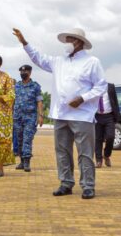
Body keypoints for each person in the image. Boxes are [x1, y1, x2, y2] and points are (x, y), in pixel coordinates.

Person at [13, 28, 107, 199]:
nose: (68, 42)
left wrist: (82, 98)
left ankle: (88, 185)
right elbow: (38, 58)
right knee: (62, 151)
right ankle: (66, 182)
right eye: (67, 39)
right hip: (61, 114)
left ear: (80, 43)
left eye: (72, 39)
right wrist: (24, 43)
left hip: (82, 115)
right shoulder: (58, 61)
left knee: (85, 152)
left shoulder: (92, 62)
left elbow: (101, 86)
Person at [13, 65, 43, 172]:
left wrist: (40, 116)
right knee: (20, 139)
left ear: (30, 72)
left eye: (25, 71)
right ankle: (21, 161)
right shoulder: (16, 86)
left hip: (30, 117)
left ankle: (27, 162)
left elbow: (39, 101)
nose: (23, 73)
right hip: (17, 117)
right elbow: (12, 101)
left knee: (27, 139)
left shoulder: (35, 86)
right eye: (21, 71)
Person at [95, 83, 120, 168]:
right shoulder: (93, 87)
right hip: (97, 116)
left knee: (110, 137)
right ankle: (98, 160)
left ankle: (106, 155)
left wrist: (117, 116)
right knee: (98, 139)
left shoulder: (110, 87)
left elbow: (115, 101)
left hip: (109, 116)